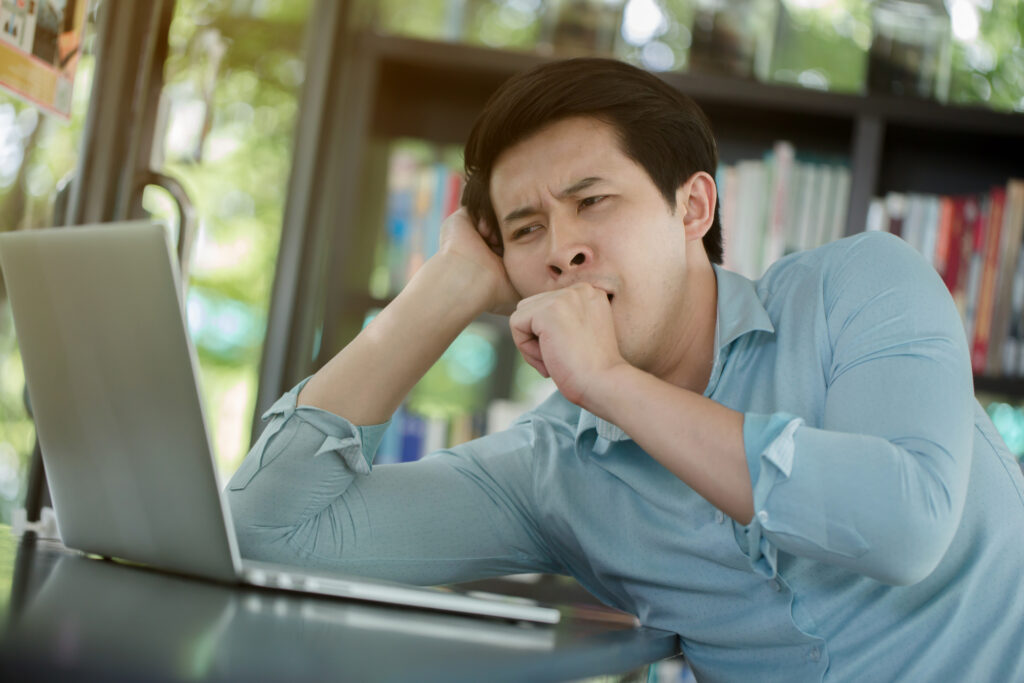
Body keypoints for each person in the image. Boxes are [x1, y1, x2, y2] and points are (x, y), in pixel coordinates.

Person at [226, 58, 1024, 680]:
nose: (563, 246)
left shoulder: (861, 285)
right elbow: (271, 531)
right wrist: (446, 288)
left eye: (593, 200)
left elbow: (904, 524)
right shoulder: (552, 469)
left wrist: (611, 382)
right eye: (526, 229)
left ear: (693, 208)